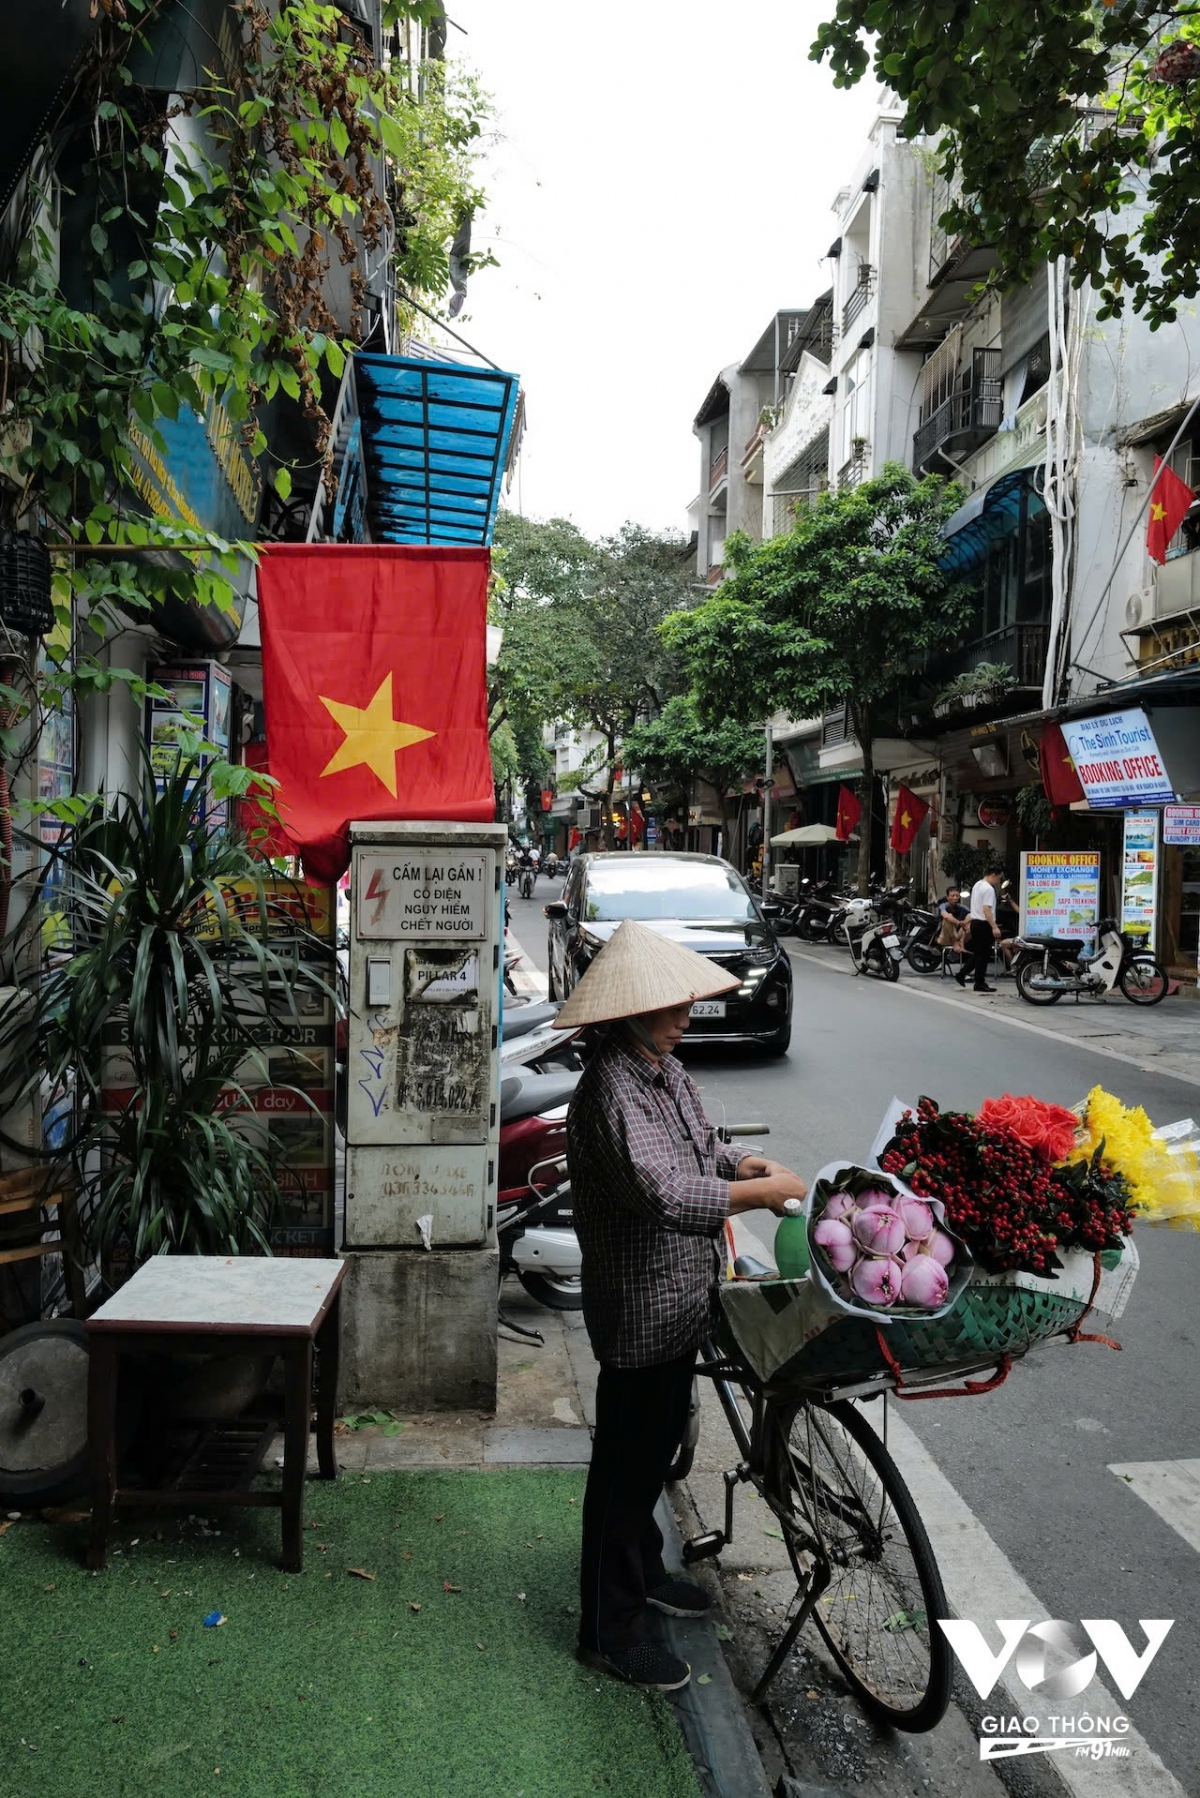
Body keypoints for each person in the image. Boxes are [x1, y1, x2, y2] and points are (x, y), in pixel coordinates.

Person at [555, 920, 808, 1693]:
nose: (684, 1014)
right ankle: (607, 1627)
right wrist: (757, 1192)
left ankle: (646, 1570)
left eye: (686, 1001)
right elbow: (664, 1189)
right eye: (669, 1004)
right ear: (628, 1010)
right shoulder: (610, 1088)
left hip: (682, 1298)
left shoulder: (663, 1069)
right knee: (626, 1468)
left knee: (660, 1444)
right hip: (639, 1305)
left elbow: (701, 1147)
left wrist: (744, 1161)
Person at [956, 863, 1005, 992]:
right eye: (999, 878)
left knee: (979, 953)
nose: (999, 881)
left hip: (976, 922)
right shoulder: (988, 889)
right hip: (984, 924)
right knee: (983, 955)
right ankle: (979, 982)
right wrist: (994, 927)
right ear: (993, 875)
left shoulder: (977, 885)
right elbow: (986, 909)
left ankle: (964, 975)